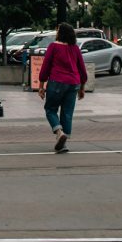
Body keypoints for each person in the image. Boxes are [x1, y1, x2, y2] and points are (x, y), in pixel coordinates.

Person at [37, 22, 88, 153]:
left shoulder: (53, 47)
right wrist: (82, 88)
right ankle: (63, 144)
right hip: (73, 83)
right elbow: (82, 70)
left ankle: (59, 133)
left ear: (60, 33)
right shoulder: (75, 48)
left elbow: (45, 67)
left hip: (57, 81)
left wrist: (41, 86)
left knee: (50, 109)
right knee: (67, 113)